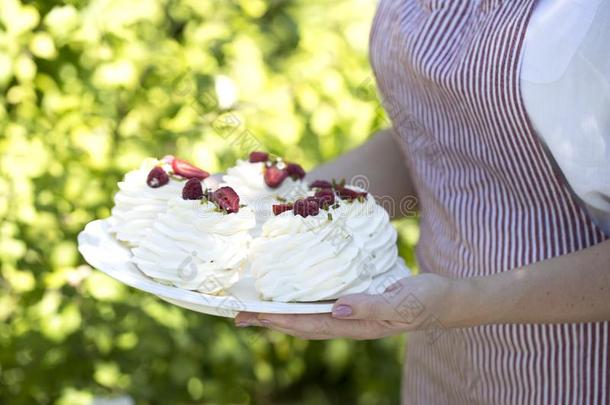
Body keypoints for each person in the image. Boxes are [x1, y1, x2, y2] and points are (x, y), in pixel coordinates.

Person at [236, 0, 610, 403]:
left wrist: (460, 301)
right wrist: (277, 206)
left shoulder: (586, 20)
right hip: (442, 355)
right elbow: (436, 145)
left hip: (569, 368)